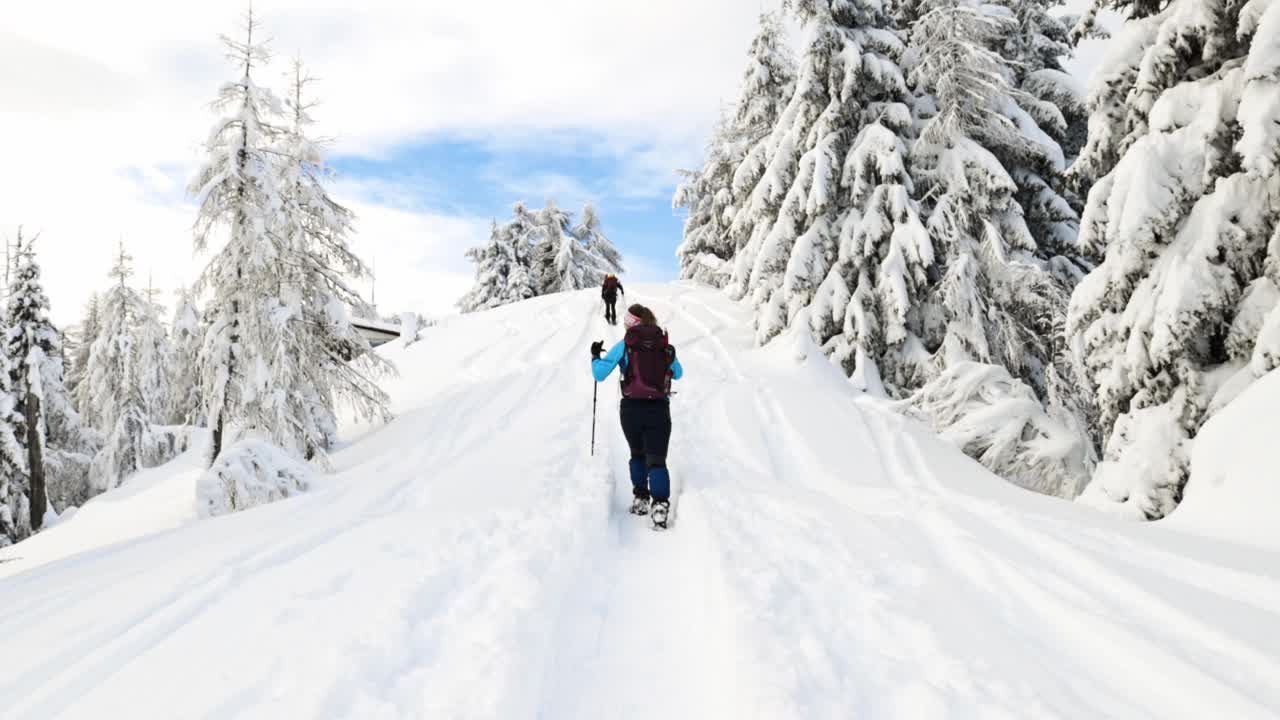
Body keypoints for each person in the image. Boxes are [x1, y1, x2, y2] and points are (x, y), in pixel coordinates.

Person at [590, 304, 683, 529]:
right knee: (657, 459)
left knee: (637, 454)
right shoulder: (663, 344)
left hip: (631, 410)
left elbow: (599, 374)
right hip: (659, 409)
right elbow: (678, 373)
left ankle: (641, 499)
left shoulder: (625, 345)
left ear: (631, 324)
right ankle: (660, 506)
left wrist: (595, 356)